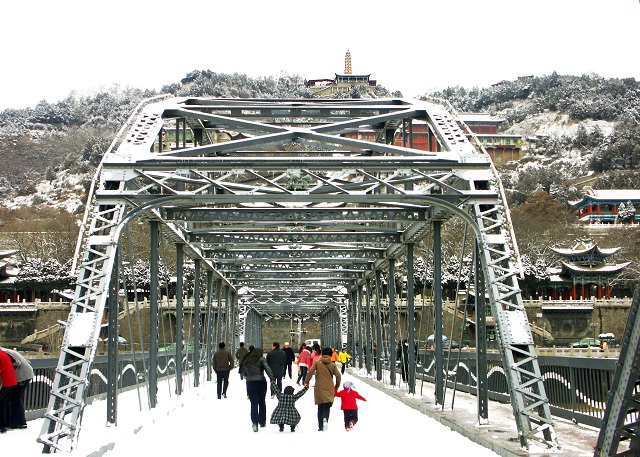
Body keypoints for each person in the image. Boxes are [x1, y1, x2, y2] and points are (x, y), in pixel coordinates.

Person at [304, 347, 341, 432]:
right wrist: (337, 385)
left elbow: (310, 371)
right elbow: (338, 376)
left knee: (320, 406)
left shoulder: (317, 363)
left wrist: (306, 382)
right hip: (329, 387)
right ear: (331, 355)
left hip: (319, 387)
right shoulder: (332, 365)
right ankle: (325, 418)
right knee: (327, 405)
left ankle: (320, 426)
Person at [240, 348, 275, 432]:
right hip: (261, 382)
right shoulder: (261, 359)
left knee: (253, 403)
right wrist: (272, 378)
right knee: (262, 402)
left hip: (250, 383)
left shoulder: (248, 360)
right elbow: (267, 368)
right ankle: (262, 421)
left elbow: (243, 371)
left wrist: (248, 377)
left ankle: (254, 423)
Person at [1, 347, 33, 429]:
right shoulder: (5, 351)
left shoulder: (4, 352)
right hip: (21, 375)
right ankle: (12, 422)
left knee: (15, 399)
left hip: (21, 376)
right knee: (11, 398)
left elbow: (17, 362)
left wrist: (7, 367)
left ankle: (19, 423)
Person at [0, 348, 18, 434]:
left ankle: (2, 426)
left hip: (7, 382)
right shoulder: (2, 353)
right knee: (3, 404)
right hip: (11, 381)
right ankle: (4, 425)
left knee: (2, 404)